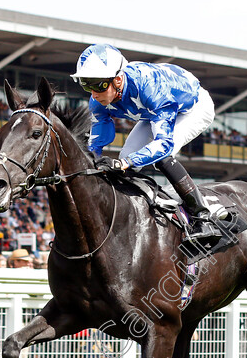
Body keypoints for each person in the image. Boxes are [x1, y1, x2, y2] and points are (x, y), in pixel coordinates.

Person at [71, 44, 221, 249]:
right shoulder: (98, 101)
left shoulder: (151, 88)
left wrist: (124, 162)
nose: (93, 93)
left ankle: (203, 217)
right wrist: (91, 161)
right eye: (86, 85)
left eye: (97, 85)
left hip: (192, 107)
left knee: (159, 155)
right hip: (151, 112)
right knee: (128, 157)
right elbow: (96, 143)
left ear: (118, 79)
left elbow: (163, 143)